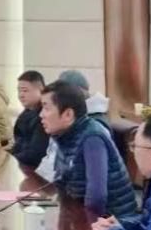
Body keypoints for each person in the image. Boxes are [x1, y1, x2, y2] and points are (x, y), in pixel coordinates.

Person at [36, 82, 137, 219]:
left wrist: (85, 229)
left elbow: (96, 197)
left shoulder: (92, 137)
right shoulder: (64, 135)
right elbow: (62, 183)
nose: (41, 115)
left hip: (115, 220)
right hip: (84, 213)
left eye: (46, 108)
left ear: (68, 114)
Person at [10, 70, 49, 168]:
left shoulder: (44, 117)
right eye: (19, 91)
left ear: (41, 90)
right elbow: (18, 144)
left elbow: (34, 154)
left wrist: (8, 160)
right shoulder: (26, 113)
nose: (21, 95)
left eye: (25, 91)